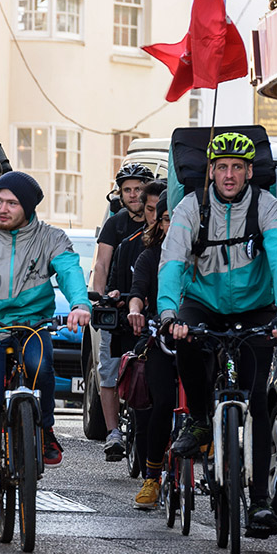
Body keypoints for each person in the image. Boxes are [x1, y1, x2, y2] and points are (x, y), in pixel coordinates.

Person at [159, 131, 277, 537]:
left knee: (256, 400)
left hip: (256, 307)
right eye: (222, 167)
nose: (230, 175)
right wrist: (169, 313)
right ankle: (201, 419)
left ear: (250, 171)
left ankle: (258, 504)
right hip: (203, 302)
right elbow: (171, 261)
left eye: (238, 167)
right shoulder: (191, 207)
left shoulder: (267, 207)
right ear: (211, 172)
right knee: (183, 338)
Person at [0, 171, 91, 508]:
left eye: (11, 203)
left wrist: (80, 304)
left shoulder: (50, 237)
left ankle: (44, 430)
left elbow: (70, 271)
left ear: (27, 208)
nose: (2, 208)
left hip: (31, 324)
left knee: (39, 365)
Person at [92, 162, 154, 461]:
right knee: (109, 370)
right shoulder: (114, 224)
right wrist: (101, 297)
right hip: (118, 307)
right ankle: (113, 432)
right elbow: (102, 264)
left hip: (150, 306)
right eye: (127, 189)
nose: (133, 195)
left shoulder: (158, 221)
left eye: (138, 189)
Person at [124, 191, 176, 510]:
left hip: (200, 339)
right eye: (168, 218)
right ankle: (152, 478)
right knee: (163, 404)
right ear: (161, 222)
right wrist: (135, 310)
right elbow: (138, 293)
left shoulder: (205, 255)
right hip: (163, 340)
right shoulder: (150, 256)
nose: (173, 224)